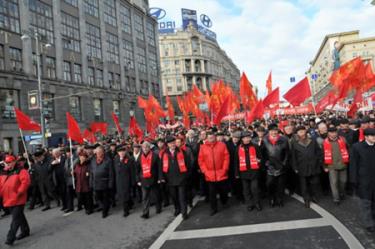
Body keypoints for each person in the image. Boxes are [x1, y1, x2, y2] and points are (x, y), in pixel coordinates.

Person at [0, 155, 31, 245]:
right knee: (19, 216)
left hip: (18, 198)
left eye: (10, 162)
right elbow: (1, 185)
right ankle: (25, 231)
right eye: (7, 162)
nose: (8, 164)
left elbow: (25, 182)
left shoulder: (21, 170)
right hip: (8, 199)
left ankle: (10, 238)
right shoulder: (4, 173)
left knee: (15, 219)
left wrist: (19, 192)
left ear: (14, 162)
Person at [198, 131, 230, 216]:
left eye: (212, 137)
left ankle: (224, 200)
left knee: (223, 191)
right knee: (212, 193)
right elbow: (201, 161)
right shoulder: (203, 147)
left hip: (221, 173)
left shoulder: (222, 145)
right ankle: (213, 208)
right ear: (207, 138)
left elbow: (226, 158)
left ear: (215, 137)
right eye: (209, 138)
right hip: (210, 175)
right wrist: (205, 171)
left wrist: (224, 169)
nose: (211, 139)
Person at [350, 128, 375, 233]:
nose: (374, 138)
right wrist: (353, 179)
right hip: (364, 179)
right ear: (366, 136)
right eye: (372, 136)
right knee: (365, 202)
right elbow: (353, 164)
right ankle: (368, 223)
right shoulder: (357, 147)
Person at [291, 126, 322, 208]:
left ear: (305, 131)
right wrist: (295, 167)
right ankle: (306, 200)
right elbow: (293, 157)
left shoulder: (313, 141)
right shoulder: (294, 143)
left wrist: (318, 161)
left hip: (313, 166)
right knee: (304, 185)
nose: (302, 133)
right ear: (297, 133)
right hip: (302, 166)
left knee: (314, 183)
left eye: (303, 131)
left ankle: (314, 196)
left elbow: (318, 152)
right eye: (299, 131)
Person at [161, 136, 191, 219]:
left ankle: (184, 213)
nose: (173, 144)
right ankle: (177, 208)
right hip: (170, 179)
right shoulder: (164, 153)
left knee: (182, 196)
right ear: (168, 145)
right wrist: (162, 177)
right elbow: (161, 166)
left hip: (181, 178)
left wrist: (186, 176)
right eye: (171, 143)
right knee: (174, 196)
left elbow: (188, 164)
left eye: (174, 143)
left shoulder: (182, 152)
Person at [234, 131, 262, 211]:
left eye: (248, 137)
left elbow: (260, 158)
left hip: (254, 172)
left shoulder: (255, 146)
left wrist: (259, 164)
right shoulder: (238, 148)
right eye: (244, 138)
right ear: (242, 139)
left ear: (250, 138)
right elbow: (236, 162)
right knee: (246, 190)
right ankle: (250, 204)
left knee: (255, 189)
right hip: (243, 172)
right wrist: (236, 173)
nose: (246, 139)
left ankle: (257, 203)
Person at [263, 123, 289, 207]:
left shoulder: (284, 139)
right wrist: (266, 163)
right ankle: (271, 198)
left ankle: (280, 199)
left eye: (275, 130)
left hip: (281, 166)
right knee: (270, 184)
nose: (274, 132)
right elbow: (262, 154)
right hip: (270, 166)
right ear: (269, 131)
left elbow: (287, 153)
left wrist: (284, 164)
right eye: (272, 130)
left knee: (280, 185)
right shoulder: (264, 140)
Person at [323, 127, 349, 205]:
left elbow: (348, 148)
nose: (333, 134)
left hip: (343, 164)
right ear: (328, 133)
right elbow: (322, 155)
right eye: (331, 132)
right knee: (334, 183)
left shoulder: (343, 139)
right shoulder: (324, 142)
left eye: (335, 132)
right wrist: (324, 166)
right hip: (331, 166)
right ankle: (336, 198)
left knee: (343, 181)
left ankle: (341, 193)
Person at [136, 141, 162, 219]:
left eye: (147, 147)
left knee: (156, 195)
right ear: (142, 148)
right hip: (144, 180)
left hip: (154, 179)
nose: (145, 149)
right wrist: (138, 180)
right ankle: (145, 213)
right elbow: (137, 170)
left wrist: (160, 178)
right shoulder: (140, 157)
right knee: (145, 197)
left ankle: (158, 208)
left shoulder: (155, 156)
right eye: (143, 147)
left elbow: (159, 168)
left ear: (149, 148)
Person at [90, 146, 114, 218]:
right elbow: (91, 172)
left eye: (100, 152)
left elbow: (111, 173)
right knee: (98, 197)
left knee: (105, 198)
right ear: (96, 153)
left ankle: (105, 211)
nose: (99, 154)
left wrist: (110, 183)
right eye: (97, 152)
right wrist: (91, 182)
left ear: (103, 152)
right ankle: (105, 205)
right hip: (96, 183)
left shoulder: (108, 160)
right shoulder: (93, 160)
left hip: (105, 183)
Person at [114, 145, 135, 217]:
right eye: (120, 152)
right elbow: (115, 171)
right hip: (119, 181)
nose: (122, 153)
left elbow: (132, 172)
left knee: (125, 195)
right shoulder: (116, 159)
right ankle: (130, 204)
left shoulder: (129, 160)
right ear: (118, 153)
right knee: (123, 195)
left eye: (123, 151)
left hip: (127, 180)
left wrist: (132, 182)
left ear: (125, 152)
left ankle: (126, 211)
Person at [74, 150, 93, 215]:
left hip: (86, 184)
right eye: (81, 156)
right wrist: (72, 173)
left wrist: (89, 175)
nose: (82, 158)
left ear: (86, 157)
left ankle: (89, 209)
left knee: (88, 198)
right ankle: (85, 207)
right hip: (79, 184)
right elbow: (75, 173)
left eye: (83, 156)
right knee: (81, 197)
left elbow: (91, 173)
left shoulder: (88, 164)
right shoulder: (77, 165)